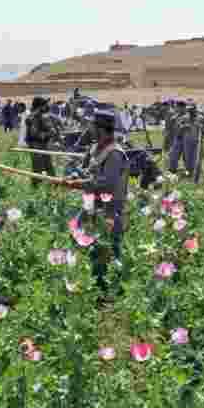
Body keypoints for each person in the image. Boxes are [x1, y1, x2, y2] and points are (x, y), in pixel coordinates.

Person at [64, 109, 129, 291]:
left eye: (92, 125)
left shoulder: (115, 153)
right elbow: (85, 171)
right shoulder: (94, 148)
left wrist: (79, 183)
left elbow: (106, 184)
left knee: (107, 250)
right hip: (90, 206)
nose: (89, 128)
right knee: (77, 239)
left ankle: (110, 290)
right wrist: (73, 174)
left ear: (101, 129)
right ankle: (88, 284)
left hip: (108, 211)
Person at [24, 97, 60, 185]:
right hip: (36, 145)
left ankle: (55, 185)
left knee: (48, 166)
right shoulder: (33, 117)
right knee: (38, 167)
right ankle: (36, 187)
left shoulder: (41, 116)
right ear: (40, 107)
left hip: (43, 144)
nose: (47, 106)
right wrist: (49, 134)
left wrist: (52, 131)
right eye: (44, 105)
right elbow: (35, 133)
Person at [170, 102, 204, 182]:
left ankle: (197, 175)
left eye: (192, 110)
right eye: (189, 110)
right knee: (188, 159)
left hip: (197, 142)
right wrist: (183, 127)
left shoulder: (200, 118)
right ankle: (189, 174)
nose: (191, 112)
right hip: (186, 142)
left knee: (197, 158)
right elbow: (177, 131)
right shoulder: (183, 118)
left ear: (195, 109)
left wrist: (202, 128)